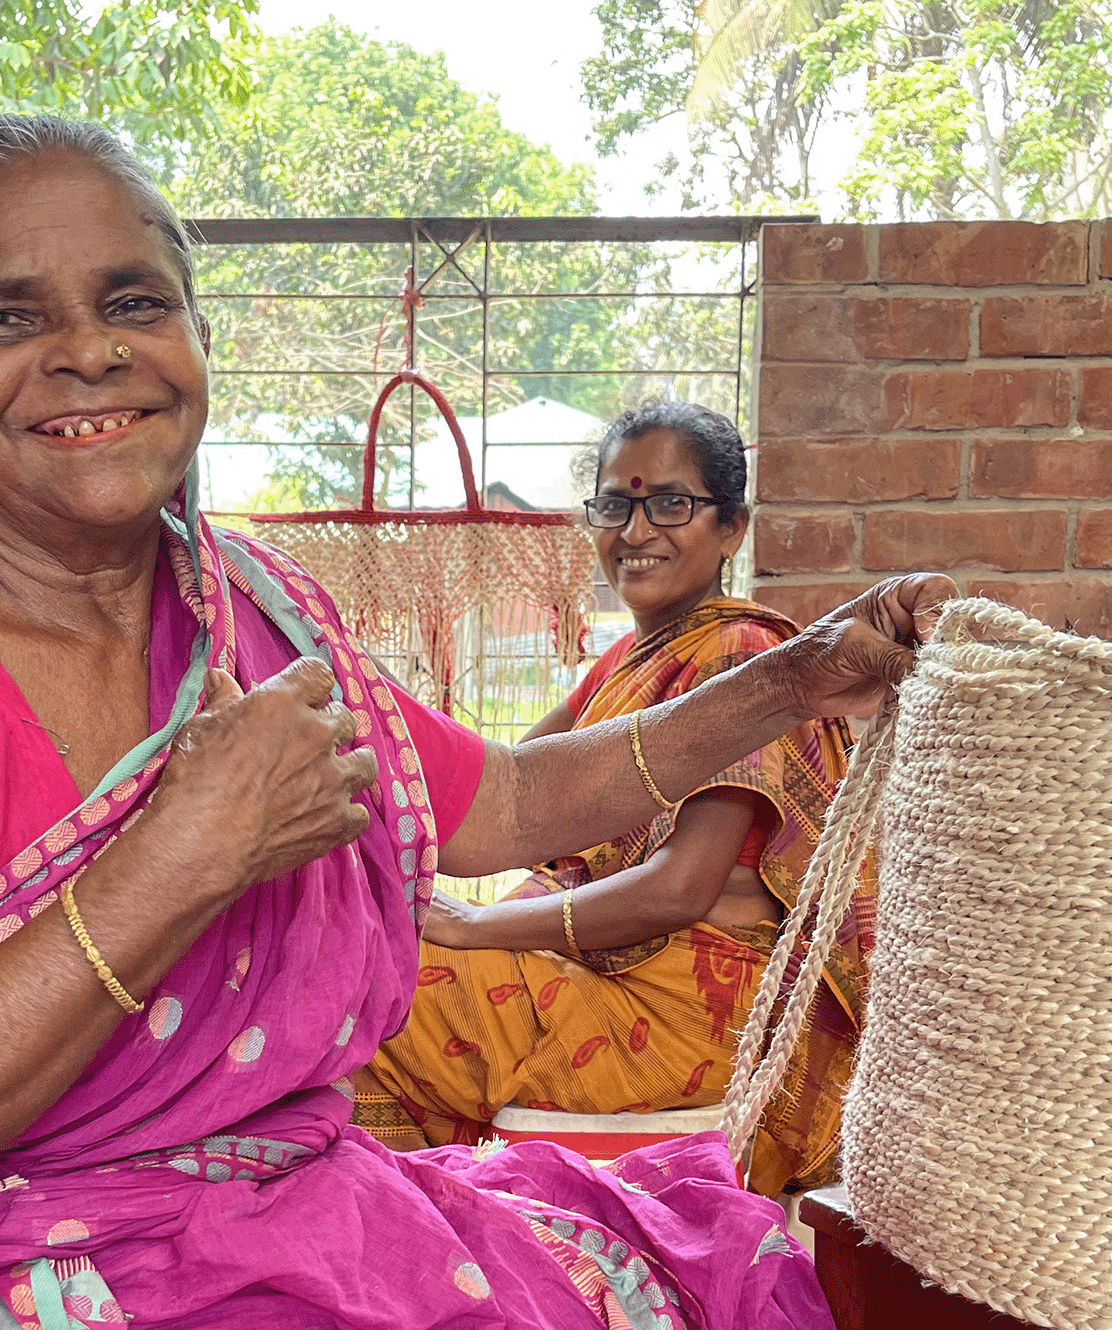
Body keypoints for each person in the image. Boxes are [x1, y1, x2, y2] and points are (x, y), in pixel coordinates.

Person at [0, 116, 949, 1330]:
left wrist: (787, 678)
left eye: (134, 302)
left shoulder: (249, 615)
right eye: (6, 317)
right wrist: (186, 853)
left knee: (725, 1270)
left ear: (195, 342)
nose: (89, 355)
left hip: (227, 1231)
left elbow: (517, 804)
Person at [358, 402, 870, 1195]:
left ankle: (389, 1248)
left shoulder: (743, 655)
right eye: (614, 505)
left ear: (731, 527)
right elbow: (500, 787)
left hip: (688, 1020)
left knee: (359, 985)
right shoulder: (625, 662)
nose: (635, 531)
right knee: (345, 951)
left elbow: (679, 886)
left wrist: (474, 923)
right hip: (604, 980)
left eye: (671, 503)